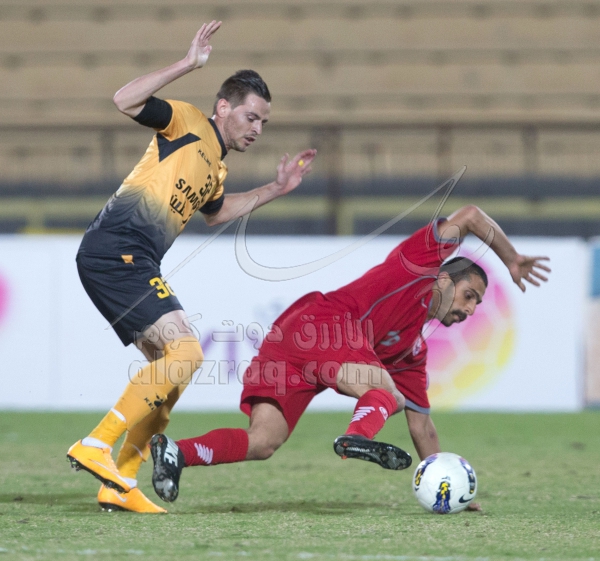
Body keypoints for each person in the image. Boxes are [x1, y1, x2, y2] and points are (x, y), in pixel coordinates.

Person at [66, 20, 317, 514]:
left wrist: (275, 189)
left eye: (264, 123)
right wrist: (187, 64)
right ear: (223, 107)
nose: (257, 129)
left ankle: (120, 482)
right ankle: (97, 444)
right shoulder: (185, 122)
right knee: (185, 353)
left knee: (173, 374)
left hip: (135, 259)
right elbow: (124, 100)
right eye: (251, 116)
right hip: (116, 249)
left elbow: (217, 213)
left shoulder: (216, 165)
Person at [149, 205, 550, 508]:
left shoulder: (411, 350)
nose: (470, 309)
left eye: (478, 304)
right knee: (386, 393)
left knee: (264, 441)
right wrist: (511, 259)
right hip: (324, 322)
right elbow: (472, 216)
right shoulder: (420, 263)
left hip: (289, 340)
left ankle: (176, 452)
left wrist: (449, 483)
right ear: (444, 280)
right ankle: (357, 437)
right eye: (469, 295)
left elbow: (422, 428)